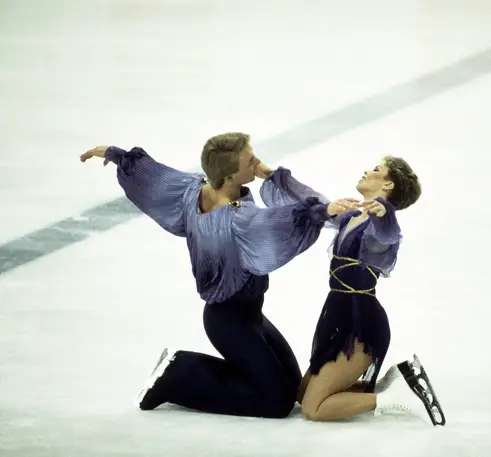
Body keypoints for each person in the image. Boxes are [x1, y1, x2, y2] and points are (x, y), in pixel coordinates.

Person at [79, 132, 359, 419]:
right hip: (228, 320)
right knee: (275, 404)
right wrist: (321, 211)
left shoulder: (193, 190)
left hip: (251, 316)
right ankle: (178, 372)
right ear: (228, 177)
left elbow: (156, 177)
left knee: (291, 389)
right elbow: (281, 221)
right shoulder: (238, 220)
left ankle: (197, 371)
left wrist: (116, 155)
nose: (257, 163)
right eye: (249, 161)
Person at [259, 157, 446, 426]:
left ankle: (396, 397)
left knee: (314, 409)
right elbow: (314, 200)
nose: (367, 171)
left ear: (388, 184)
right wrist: (275, 176)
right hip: (337, 315)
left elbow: (388, 235)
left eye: (376, 170)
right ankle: (386, 387)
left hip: (360, 324)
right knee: (302, 395)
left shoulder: (378, 229)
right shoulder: (352, 217)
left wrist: (384, 213)